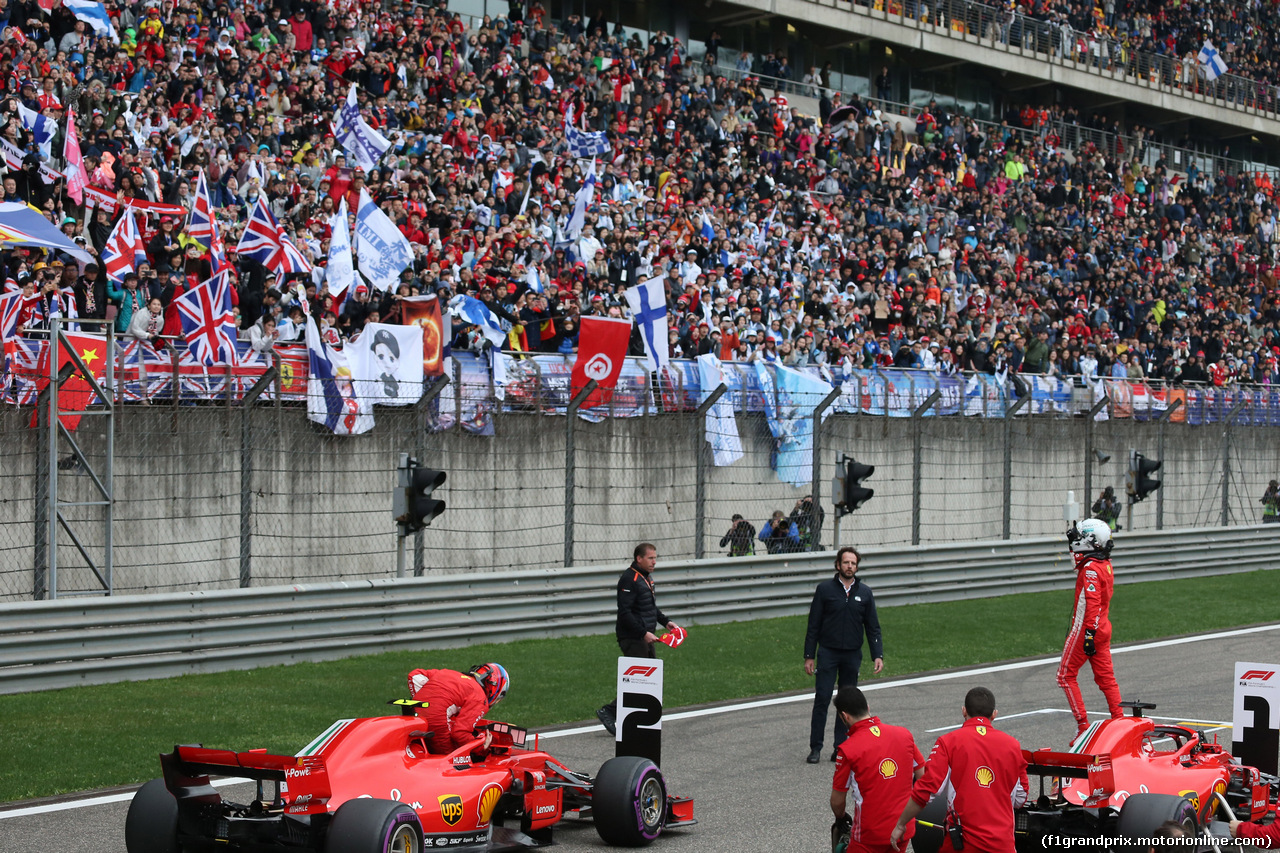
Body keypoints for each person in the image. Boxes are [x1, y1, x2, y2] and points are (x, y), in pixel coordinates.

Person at [890, 687, 1029, 853]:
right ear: (994, 714)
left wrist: (901, 823)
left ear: (964, 711)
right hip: (1002, 845)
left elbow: (926, 791)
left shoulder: (948, 742)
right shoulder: (1013, 746)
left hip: (963, 844)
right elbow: (1021, 798)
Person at [804, 547, 884, 764]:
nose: (850, 567)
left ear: (857, 567)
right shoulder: (824, 590)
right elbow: (813, 625)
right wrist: (809, 655)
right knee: (822, 697)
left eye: (853, 563)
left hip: (852, 655)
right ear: (838, 565)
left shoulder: (865, 593)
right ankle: (815, 748)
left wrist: (878, 654)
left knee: (847, 703)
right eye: (846, 562)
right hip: (828, 653)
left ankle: (841, 747)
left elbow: (873, 627)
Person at [596, 543, 680, 735]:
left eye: (655, 558)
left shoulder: (646, 578)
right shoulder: (629, 579)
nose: (654, 562)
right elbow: (625, 613)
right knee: (638, 679)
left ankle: (637, 716)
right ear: (639, 558)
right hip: (632, 637)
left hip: (645, 636)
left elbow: (650, 608)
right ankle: (609, 711)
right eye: (650, 558)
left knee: (650, 678)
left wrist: (666, 622)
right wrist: (643, 633)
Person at [829, 686, 924, 853]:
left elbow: (837, 801)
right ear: (868, 707)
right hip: (904, 829)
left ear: (844, 716)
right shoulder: (904, 734)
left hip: (869, 835)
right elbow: (923, 777)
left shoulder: (847, 750)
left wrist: (841, 817)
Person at [1057, 519, 1124, 737]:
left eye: (1080, 538)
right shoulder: (1104, 564)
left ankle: (1083, 726)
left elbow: (1092, 605)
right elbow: (1079, 560)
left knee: (1065, 676)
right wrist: (1071, 543)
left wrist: (1087, 635)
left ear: (1091, 541)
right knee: (1106, 678)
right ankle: (1120, 721)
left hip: (1087, 629)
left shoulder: (1090, 570)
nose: (1076, 541)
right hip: (1103, 628)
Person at [406, 662, 510, 755]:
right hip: (437, 720)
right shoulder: (480, 698)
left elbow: (414, 675)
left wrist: (422, 701)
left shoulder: (449, 673)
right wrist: (481, 746)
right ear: (495, 689)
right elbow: (459, 733)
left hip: (414, 714)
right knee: (454, 758)